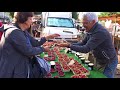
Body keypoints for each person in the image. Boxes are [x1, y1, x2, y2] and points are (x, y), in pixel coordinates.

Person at [57, 12, 118, 78]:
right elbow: (83, 43)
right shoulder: (91, 30)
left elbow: (86, 49)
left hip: (108, 61)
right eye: (83, 23)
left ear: (93, 22)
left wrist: (69, 46)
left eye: (85, 23)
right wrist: (69, 44)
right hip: (99, 59)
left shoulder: (100, 32)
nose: (83, 25)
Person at [0, 12, 60, 78]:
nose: (32, 21)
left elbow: (34, 42)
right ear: (24, 19)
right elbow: (29, 51)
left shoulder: (21, 30)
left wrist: (47, 37)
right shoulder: (15, 32)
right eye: (31, 19)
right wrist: (43, 49)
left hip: (18, 66)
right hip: (12, 70)